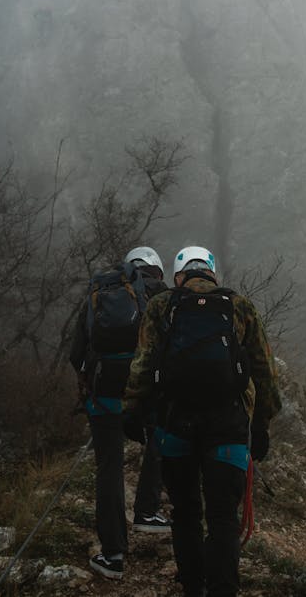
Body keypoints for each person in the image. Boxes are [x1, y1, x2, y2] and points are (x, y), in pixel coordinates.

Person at [123, 246, 281, 597]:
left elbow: (143, 363)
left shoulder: (163, 306)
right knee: (223, 516)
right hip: (228, 425)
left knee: (185, 511)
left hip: (176, 423)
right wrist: (262, 424)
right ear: (212, 274)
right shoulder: (239, 306)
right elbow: (265, 372)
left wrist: (132, 410)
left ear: (179, 275)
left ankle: (193, 587)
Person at [70, 246, 171, 581]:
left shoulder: (100, 292)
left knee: (109, 468)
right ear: (157, 270)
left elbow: (76, 352)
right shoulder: (161, 296)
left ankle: (112, 555)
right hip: (145, 394)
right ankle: (147, 511)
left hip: (103, 397)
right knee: (162, 433)